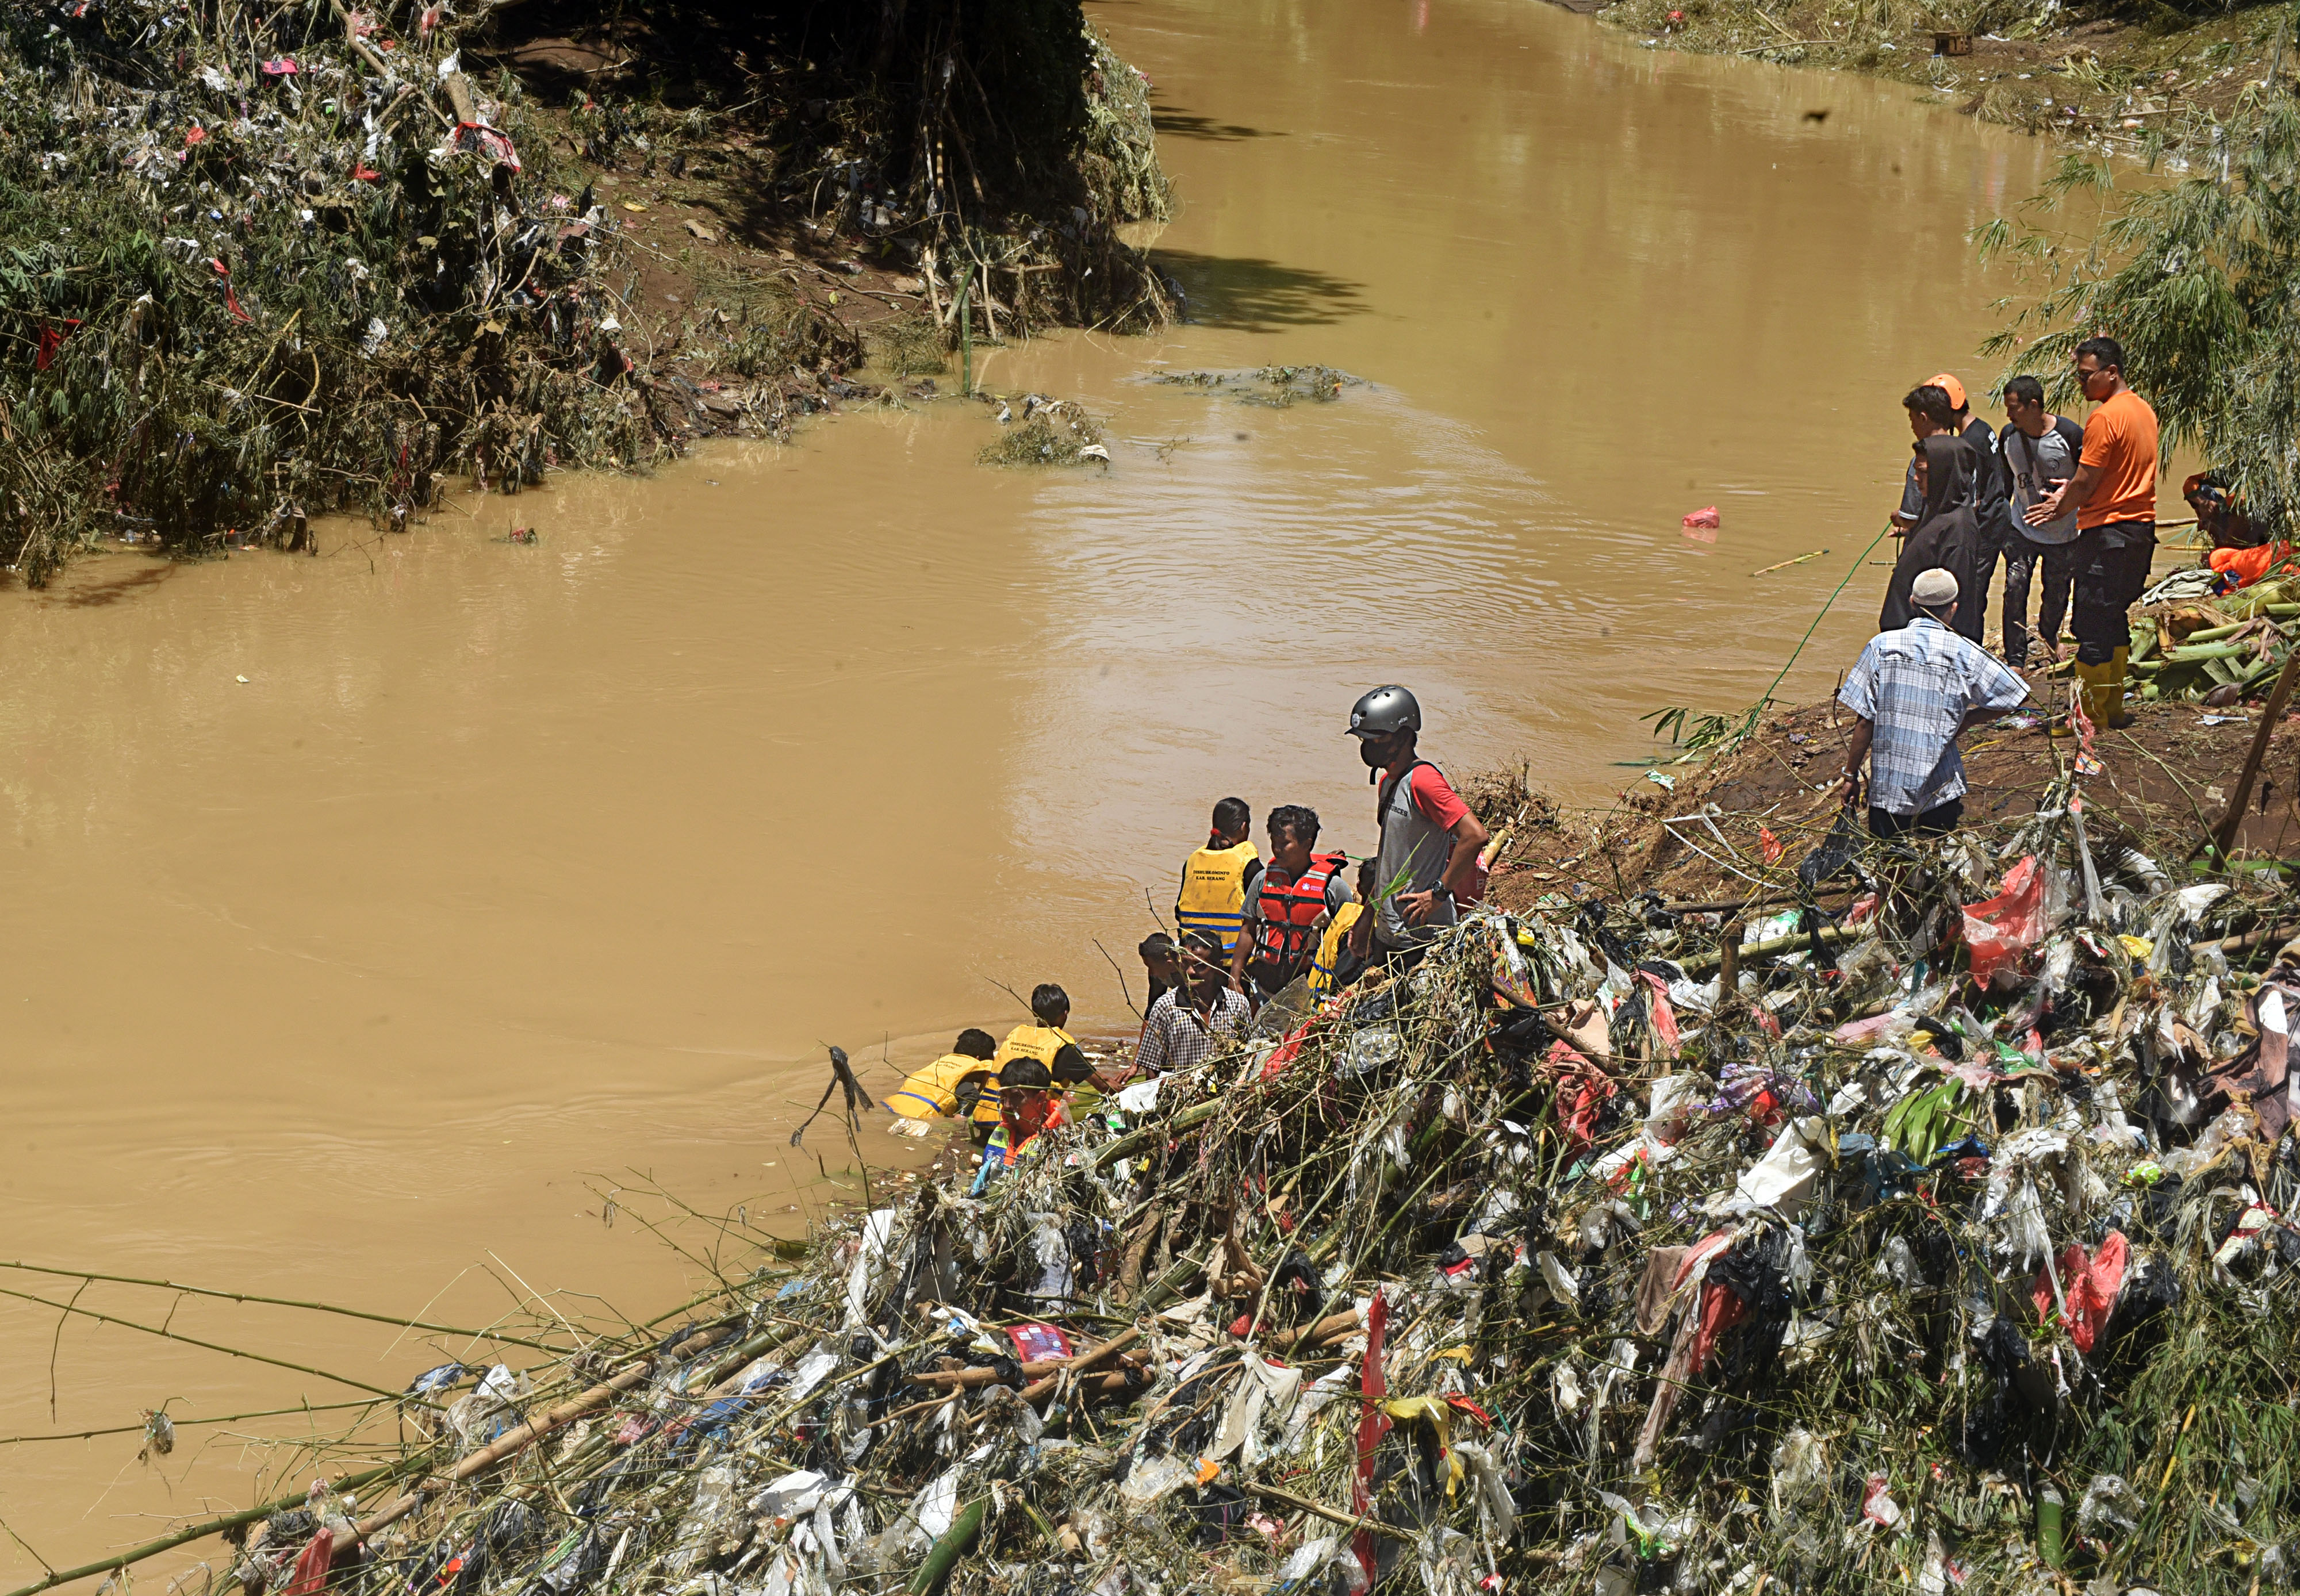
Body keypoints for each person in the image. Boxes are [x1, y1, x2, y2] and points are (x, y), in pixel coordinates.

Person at [2023, 336, 2159, 730]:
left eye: (2086, 376)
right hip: (2139, 531)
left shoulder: (2104, 417)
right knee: (2114, 617)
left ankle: (2088, 716)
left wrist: (2058, 506)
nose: (2080, 385)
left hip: (2108, 533)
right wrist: (2074, 489)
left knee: (2092, 624)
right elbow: (2114, 474)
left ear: (2111, 372)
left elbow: (2085, 483)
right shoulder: (2143, 410)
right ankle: (2112, 708)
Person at [1838, 567, 2030, 839]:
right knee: (1937, 858)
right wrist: (1969, 720)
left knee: (1891, 864)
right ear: (1953, 608)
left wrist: (1850, 775)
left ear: (1912, 603)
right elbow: (2016, 696)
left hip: (1888, 788)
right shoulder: (1966, 653)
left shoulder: (1882, 646)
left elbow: (1865, 722)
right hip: (1940, 788)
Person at [1343, 685, 1489, 970]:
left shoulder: (1423, 781)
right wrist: (1367, 917)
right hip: (1391, 930)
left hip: (1421, 936)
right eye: (1365, 739)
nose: (1368, 746)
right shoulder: (1387, 783)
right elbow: (1391, 859)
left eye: (1376, 739)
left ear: (1403, 737)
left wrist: (1437, 894)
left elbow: (1475, 836)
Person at [1997, 375, 2086, 667]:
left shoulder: (2071, 436)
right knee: (2015, 587)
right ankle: (2015, 657)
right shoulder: (2009, 435)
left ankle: (2049, 636)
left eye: (2014, 408)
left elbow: (2089, 481)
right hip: (2021, 528)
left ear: (2033, 406)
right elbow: (2005, 483)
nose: (2009, 415)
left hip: (2064, 532)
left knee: (2057, 592)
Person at [1230, 804, 1353, 1006]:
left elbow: (1348, 939)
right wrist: (1234, 977)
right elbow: (1248, 931)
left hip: (1311, 989)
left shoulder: (1334, 888)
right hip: (1263, 986)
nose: (1277, 850)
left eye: (1285, 843)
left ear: (1307, 844)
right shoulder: (1262, 880)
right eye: (1273, 842)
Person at [1880, 434, 1983, 642]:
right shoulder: (1935, 509)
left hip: (1924, 647)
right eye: (1915, 471)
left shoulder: (1960, 530)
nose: (1916, 478)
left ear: (1945, 473)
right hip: (1904, 638)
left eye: (1923, 472)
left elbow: (1954, 608)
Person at [1136, 930, 1251, 1076]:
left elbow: (1247, 1057)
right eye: (1185, 964)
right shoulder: (1165, 1007)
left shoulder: (1238, 1005)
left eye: (1199, 965)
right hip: (1181, 1093)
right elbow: (1152, 1068)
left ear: (1218, 967)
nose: (1190, 972)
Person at [1174, 797, 1262, 955]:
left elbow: (1178, 910)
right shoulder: (1250, 866)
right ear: (1244, 826)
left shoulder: (1192, 862)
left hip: (1194, 958)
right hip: (1235, 961)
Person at [887, 1027, 1001, 1142]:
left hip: (892, 1110)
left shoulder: (941, 1065)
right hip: (919, 1122)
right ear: (979, 1060)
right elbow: (960, 1121)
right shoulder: (968, 1090)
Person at [971, 1057, 1065, 1193]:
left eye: (1016, 1097)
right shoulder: (1004, 1131)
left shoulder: (1060, 1140)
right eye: (1003, 1097)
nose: (1007, 1105)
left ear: (1040, 1098)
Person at [1891, 385, 1958, 535]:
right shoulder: (1964, 452)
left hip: (1927, 544)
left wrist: (1898, 518)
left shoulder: (1921, 462)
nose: (1912, 427)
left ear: (1923, 418)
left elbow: (1911, 518)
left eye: (1912, 419)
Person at [1308, 857, 1378, 997]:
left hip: (1314, 995)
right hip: (1326, 1004)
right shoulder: (1363, 927)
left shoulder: (1347, 911)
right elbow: (1341, 979)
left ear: (1358, 887)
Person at [1137, 932, 1182, 1025]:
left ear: (1170, 964)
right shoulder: (1157, 973)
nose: (1151, 973)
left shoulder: (1191, 969)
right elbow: (1151, 1013)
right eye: (1148, 967)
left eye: (1153, 968)